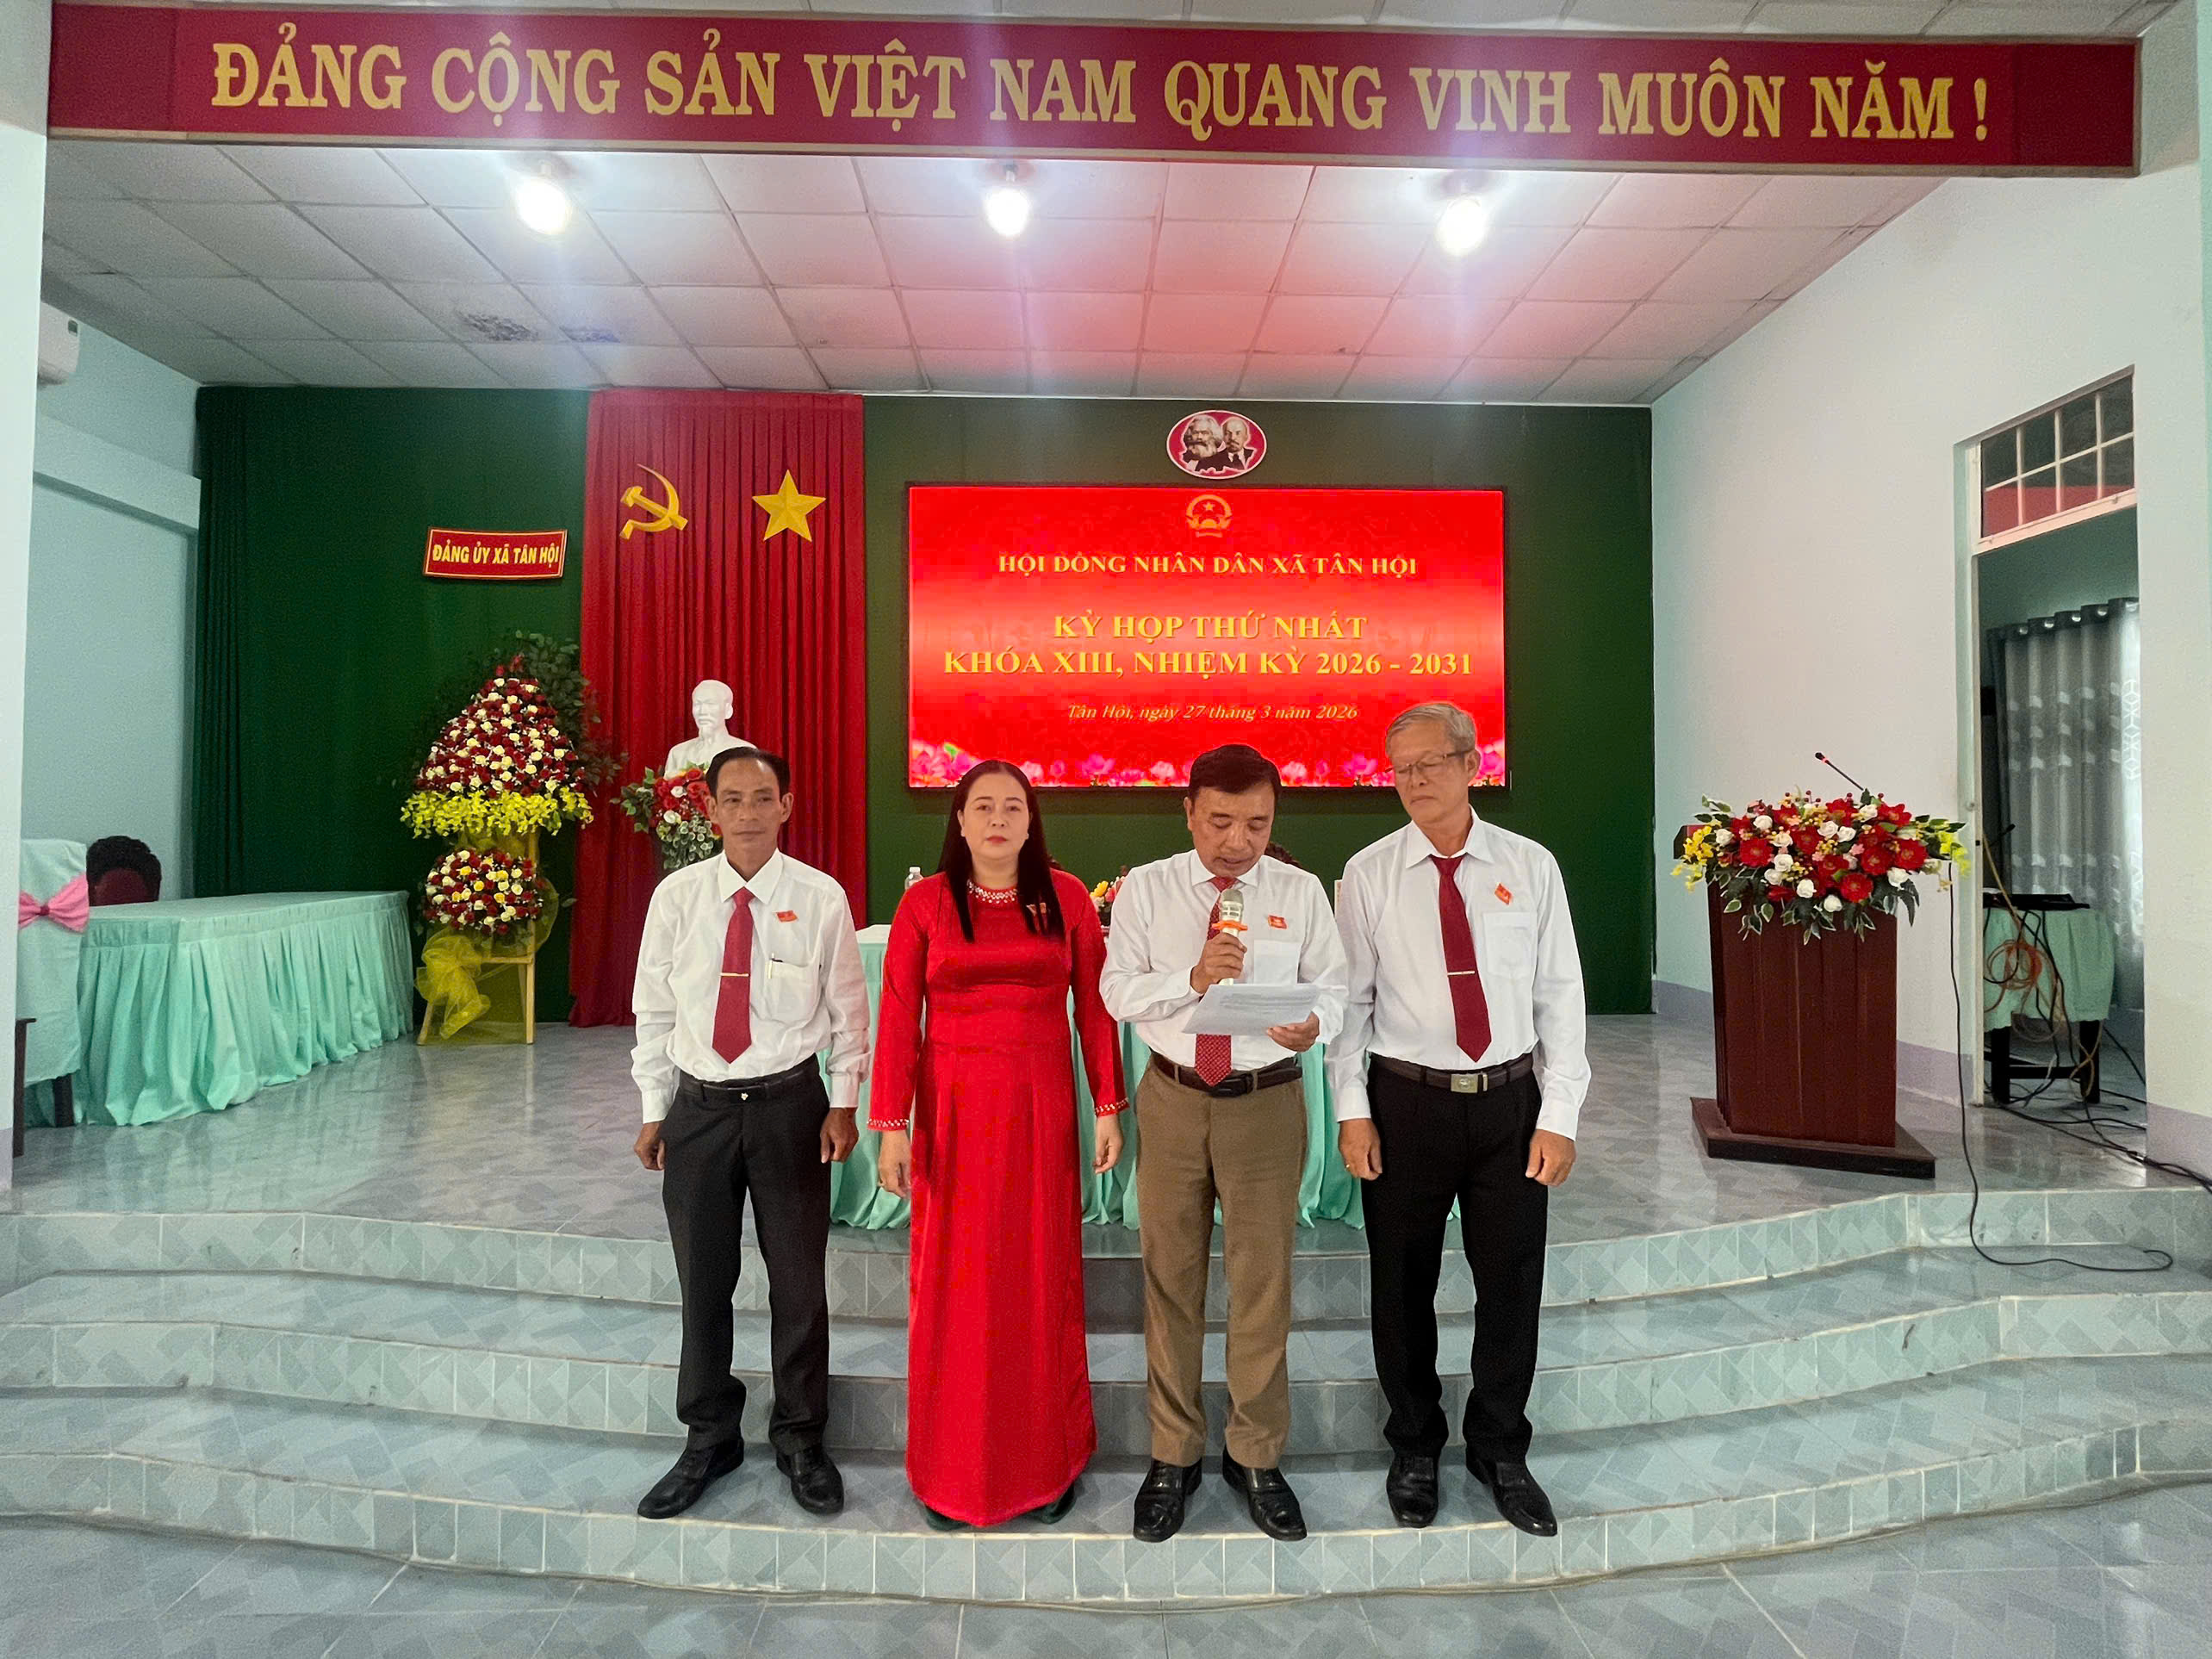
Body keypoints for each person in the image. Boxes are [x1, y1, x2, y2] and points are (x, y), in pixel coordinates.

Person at [1332, 702, 1588, 1537]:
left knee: (1511, 1284)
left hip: (1510, 1105)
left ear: (1473, 765)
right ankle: (1414, 1445)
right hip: (1405, 1104)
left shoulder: (1530, 866)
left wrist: (1560, 1113)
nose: (1414, 781)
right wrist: (1353, 1111)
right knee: (1400, 1286)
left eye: (1430, 763)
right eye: (1400, 769)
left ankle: (1500, 1448)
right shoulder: (1368, 873)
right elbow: (1351, 1007)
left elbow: (1561, 996)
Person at [1100, 743, 1347, 1544]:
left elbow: (1337, 990)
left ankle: (1256, 1455)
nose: (1239, 841)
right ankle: (1173, 1455)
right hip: (1174, 1098)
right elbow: (1115, 991)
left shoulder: (1300, 891)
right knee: (1170, 1280)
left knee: (1261, 1285)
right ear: (1188, 813)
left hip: (1266, 1104)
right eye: (1220, 822)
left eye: (1257, 824)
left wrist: (1316, 1023)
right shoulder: (1147, 889)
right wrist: (1193, 979)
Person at [872, 761, 1128, 1529]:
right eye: (982, 806)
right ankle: (949, 1474)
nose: (997, 819)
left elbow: (1096, 1012)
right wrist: (891, 1125)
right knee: (954, 1293)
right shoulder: (925, 903)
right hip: (951, 1118)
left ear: (1030, 820)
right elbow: (898, 1015)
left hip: (1039, 1114)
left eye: (1012, 807)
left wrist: (1107, 1106)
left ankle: (1046, 1467)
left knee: (1039, 1285)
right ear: (958, 819)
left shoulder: (1068, 898)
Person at [630, 746, 868, 1521]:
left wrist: (843, 1102)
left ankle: (801, 1435)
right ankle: (710, 1435)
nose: (747, 813)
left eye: (762, 798)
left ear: (786, 806)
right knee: (703, 1280)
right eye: (731, 799)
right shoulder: (677, 898)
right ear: (710, 811)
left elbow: (849, 1013)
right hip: (698, 1111)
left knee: (798, 1282)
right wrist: (654, 1106)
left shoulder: (821, 897)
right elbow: (654, 1010)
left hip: (790, 1107)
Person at [663, 679, 749, 775]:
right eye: (697, 704)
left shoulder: (745, 753)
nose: (702, 711)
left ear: (728, 710)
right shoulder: (678, 753)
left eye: (710, 704)